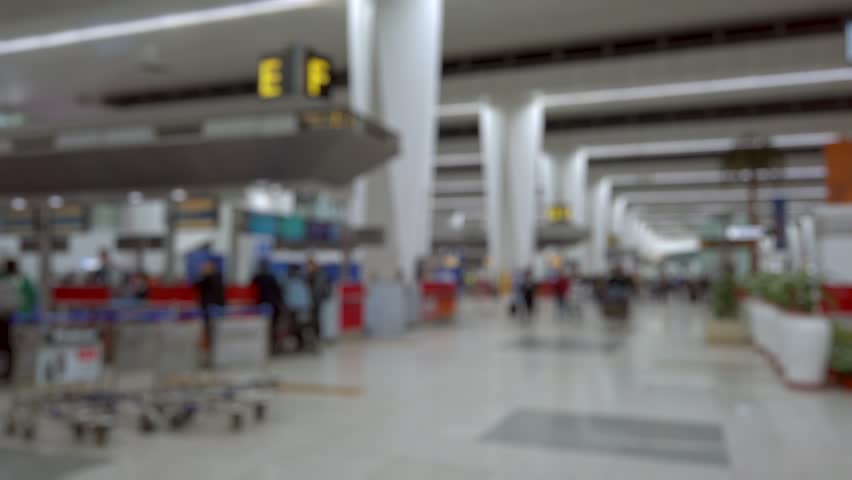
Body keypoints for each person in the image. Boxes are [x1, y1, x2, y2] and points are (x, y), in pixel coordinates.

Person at [194, 259, 226, 358]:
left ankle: (209, 353)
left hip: (209, 308)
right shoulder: (219, 277)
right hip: (218, 308)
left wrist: (203, 273)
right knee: (215, 330)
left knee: (209, 330)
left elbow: (196, 284)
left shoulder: (208, 278)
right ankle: (214, 352)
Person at [251, 260, 283, 354]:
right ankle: (271, 346)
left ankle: (263, 345)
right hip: (272, 306)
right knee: (272, 327)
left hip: (261, 306)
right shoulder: (272, 277)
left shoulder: (257, 278)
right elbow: (278, 292)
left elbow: (252, 290)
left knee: (263, 327)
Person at [284, 265, 313, 351]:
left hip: (297, 309)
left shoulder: (292, 282)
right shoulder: (300, 282)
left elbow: (288, 297)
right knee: (300, 327)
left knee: (298, 327)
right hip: (299, 309)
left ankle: (301, 344)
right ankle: (301, 343)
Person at [305, 258, 330, 342]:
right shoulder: (310, 274)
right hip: (312, 300)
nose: (308, 268)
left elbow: (317, 288)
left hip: (316, 299)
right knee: (314, 318)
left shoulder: (318, 274)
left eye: (309, 266)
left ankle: (317, 336)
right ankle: (315, 335)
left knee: (316, 318)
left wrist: (311, 296)